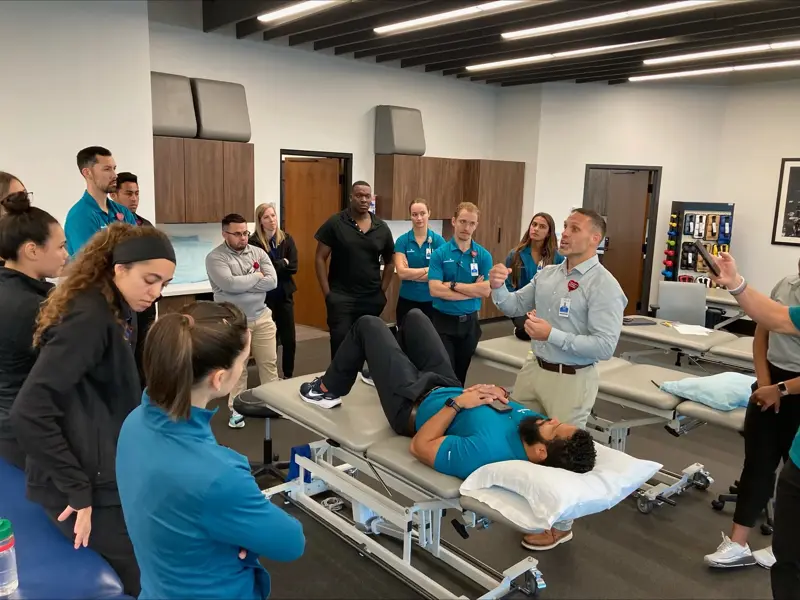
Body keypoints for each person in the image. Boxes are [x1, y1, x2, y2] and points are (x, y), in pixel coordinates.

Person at [10, 223, 176, 597]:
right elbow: (30, 411)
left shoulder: (119, 309)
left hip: (104, 465)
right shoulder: (90, 317)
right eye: (150, 280)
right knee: (145, 572)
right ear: (119, 269)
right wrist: (76, 490)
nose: (156, 292)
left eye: (163, 284)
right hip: (79, 486)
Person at [116, 301, 305, 598]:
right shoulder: (219, 474)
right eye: (244, 360)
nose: (243, 365)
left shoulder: (133, 423)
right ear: (219, 379)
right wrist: (240, 533)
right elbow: (291, 542)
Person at [298, 309, 596, 479]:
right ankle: (383, 371)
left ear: (541, 452)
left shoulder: (487, 453)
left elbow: (420, 446)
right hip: (447, 384)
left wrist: (456, 405)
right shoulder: (535, 427)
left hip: (412, 405)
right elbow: (508, 408)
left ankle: (327, 389)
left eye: (554, 427)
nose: (551, 418)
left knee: (369, 324)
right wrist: (496, 392)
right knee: (414, 317)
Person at [488, 207, 626, 551]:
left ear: (595, 239)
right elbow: (511, 305)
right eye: (564, 226)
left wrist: (553, 335)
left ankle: (561, 526)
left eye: (573, 228)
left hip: (572, 378)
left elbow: (605, 345)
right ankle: (530, 503)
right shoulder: (548, 274)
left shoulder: (604, 285)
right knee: (520, 435)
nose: (563, 233)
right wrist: (497, 286)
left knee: (561, 453)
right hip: (536, 369)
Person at [710, 252, 800, 600]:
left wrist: (780, 389)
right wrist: (766, 384)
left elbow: (777, 320)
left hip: (791, 389)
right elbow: (768, 324)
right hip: (770, 383)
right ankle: (738, 543)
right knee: (759, 464)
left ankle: (785, 546)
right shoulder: (786, 287)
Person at [0, 193, 68, 469]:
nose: (66, 254)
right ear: (32, 250)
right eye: (61, 247)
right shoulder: (37, 307)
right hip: (30, 429)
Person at [206, 213, 279, 429]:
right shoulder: (215, 258)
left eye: (245, 233)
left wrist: (243, 283)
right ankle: (236, 410)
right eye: (237, 234)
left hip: (262, 317)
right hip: (234, 322)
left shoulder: (258, 252)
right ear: (224, 234)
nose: (243, 238)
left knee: (269, 363)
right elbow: (229, 285)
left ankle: (275, 404)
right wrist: (256, 277)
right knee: (238, 369)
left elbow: (273, 281)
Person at [314, 181, 394, 370]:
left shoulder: (381, 228)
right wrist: (328, 294)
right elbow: (319, 258)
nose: (364, 199)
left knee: (369, 344)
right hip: (341, 298)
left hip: (370, 298)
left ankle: (362, 385)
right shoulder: (335, 223)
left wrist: (381, 291)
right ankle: (337, 388)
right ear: (351, 197)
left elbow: (390, 261)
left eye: (367, 196)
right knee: (341, 345)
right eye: (359, 195)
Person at [428, 202, 492, 386]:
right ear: (454, 221)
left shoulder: (483, 256)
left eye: (472, 223)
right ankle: (444, 407)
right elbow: (435, 289)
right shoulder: (439, 254)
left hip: (469, 324)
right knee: (445, 371)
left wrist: (453, 285)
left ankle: (457, 408)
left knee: (461, 372)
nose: (467, 227)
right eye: (463, 221)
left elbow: (486, 290)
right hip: (443, 322)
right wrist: (473, 291)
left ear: (476, 225)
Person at [110, 171, 155, 387]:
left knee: (144, 354)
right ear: (114, 195)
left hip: (145, 303)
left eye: (137, 193)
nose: (134, 198)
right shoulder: (108, 227)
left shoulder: (145, 226)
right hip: (119, 302)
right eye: (128, 193)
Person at [250, 203, 299, 379]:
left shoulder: (286, 239)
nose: (272, 220)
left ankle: (288, 374)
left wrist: (276, 265)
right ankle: (270, 374)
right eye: (266, 217)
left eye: (273, 215)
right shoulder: (253, 242)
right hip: (265, 298)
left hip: (284, 294)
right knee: (270, 338)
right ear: (260, 221)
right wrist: (282, 263)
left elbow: (293, 266)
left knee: (289, 339)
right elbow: (260, 271)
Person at [64, 146, 137, 257]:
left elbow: (139, 250)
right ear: (87, 173)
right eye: (107, 169)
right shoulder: (80, 216)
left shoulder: (123, 212)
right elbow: (91, 264)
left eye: (114, 168)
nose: (114, 175)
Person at [505, 212, 564, 341]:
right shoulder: (515, 255)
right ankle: (521, 329)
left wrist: (541, 308)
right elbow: (508, 286)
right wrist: (524, 308)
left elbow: (561, 287)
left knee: (552, 330)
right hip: (521, 307)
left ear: (549, 232)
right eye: (534, 224)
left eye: (542, 226)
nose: (536, 229)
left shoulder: (557, 257)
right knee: (530, 329)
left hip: (547, 307)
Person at [393, 199, 446, 326]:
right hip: (407, 300)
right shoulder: (402, 241)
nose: (419, 218)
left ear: (429, 213)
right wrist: (427, 270)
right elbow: (402, 273)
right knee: (405, 339)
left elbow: (441, 274)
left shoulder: (438, 241)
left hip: (432, 301)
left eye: (423, 213)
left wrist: (412, 274)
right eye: (414, 214)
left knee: (430, 342)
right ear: (410, 216)